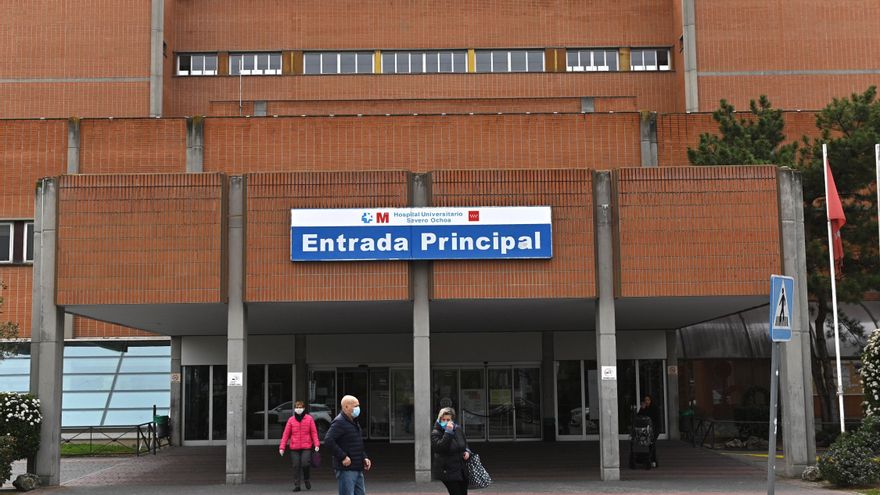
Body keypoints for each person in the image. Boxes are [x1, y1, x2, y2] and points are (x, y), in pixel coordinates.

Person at [323, 395, 372, 495]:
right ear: (346, 407)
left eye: (358, 405)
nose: (358, 408)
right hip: (346, 470)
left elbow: (356, 443)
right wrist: (343, 457)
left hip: (357, 468)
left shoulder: (354, 422)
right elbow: (328, 440)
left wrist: (364, 457)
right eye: (355, 406)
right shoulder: (339, 422)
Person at [279, 400, 321, 492]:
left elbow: (314, 433)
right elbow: (285, 435)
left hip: (306, 446)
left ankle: (306, 479)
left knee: (305, 463)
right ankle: (297, 485)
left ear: (304, 408)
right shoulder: (291, 420)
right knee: (296, 465)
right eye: (297, 407)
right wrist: (282, 447)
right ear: (294, 409)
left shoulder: (309, 419)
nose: (298, 409)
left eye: (300, 407)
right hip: (294, 447)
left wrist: (316, 444)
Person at [431, 407, 470, 495]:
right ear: (439, 419)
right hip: (447, 471)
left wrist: (467, 451)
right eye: (443, 419)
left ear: (452, 420)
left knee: (463, 492)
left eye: (448, 419)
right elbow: (440, 448)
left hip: (461, 469)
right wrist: (448, 432)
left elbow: (464, 444)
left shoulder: (458, 429)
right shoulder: (436, 433)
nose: (445, 421)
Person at [637, 394, 660, 467]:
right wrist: (642, 409)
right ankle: (652, 460)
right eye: (645, 400)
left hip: (654, 429)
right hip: (646, 430)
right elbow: (639, 417)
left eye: (648, 400)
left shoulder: (654, 408)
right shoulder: (644, 408)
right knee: (650, 445)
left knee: (652, 444)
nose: (646, 402)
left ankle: (653, 461)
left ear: (651, 400)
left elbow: (657, 420)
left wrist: (655, 430)